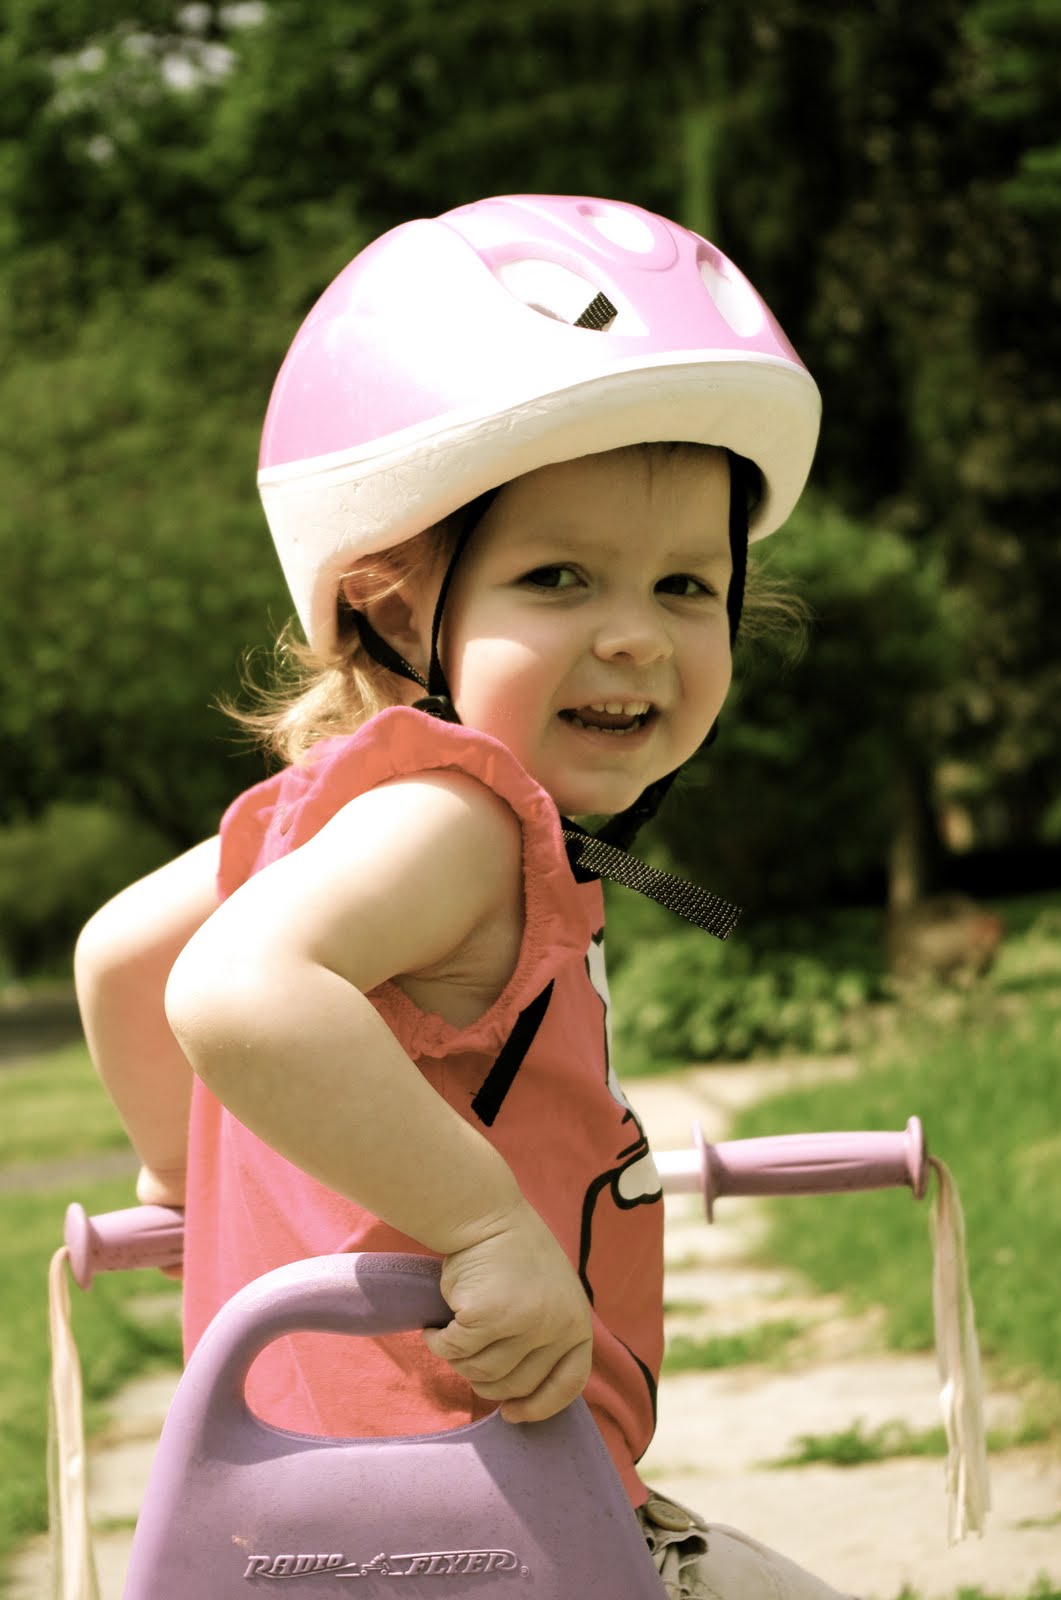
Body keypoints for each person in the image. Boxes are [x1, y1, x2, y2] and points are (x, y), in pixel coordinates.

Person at [75, 194, 846, 1598]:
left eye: (687, 585)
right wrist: (487, 1228)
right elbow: (232, 988)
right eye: (558, 577)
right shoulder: (463, 819)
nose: (636, 634)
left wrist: (179, 1184)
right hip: (474, 1512)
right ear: (394, 608)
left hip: (294, 1508)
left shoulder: (316, 820)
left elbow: (124, 955)